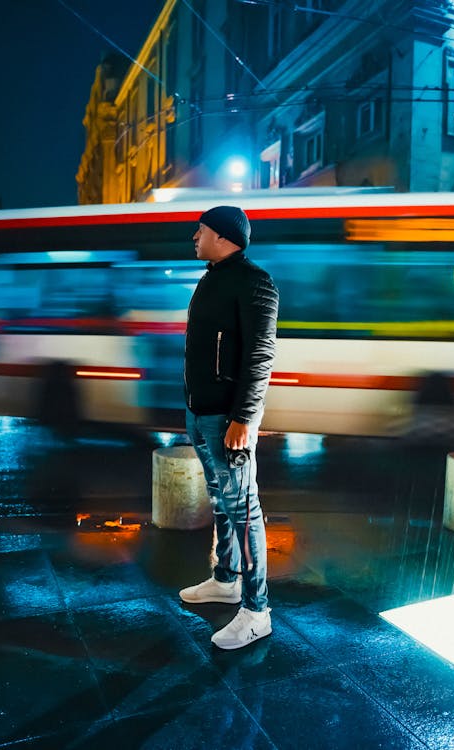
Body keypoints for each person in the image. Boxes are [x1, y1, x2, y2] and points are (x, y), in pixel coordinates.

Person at [180, 205, 279, 650]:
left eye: (199, 231)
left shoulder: (254, 281)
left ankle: (257, 611)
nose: (194, 237)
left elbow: (260, 356)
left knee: (243, 509)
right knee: (222, 501)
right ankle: (226, 579)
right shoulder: (210, 278)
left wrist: (244, 418)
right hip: (201, 413)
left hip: (227, 418)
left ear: (222, 235)